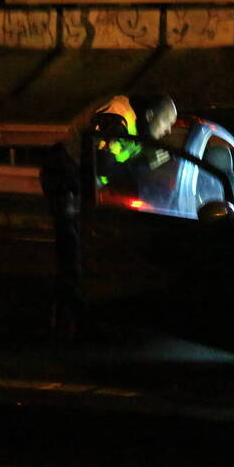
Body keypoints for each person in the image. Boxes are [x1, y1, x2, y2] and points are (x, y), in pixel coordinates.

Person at [39, 93, 177, 339]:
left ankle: (79, 314)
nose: (168, 131)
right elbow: (103, 163)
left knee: (88, 248)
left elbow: (114, 165)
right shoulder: (118, 114)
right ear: (151, 116)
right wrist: (144, 162)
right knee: (73, 249)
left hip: (80, 179)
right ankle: (67, 322)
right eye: (167, 122)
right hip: (65, 175)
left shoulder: (134, 127)